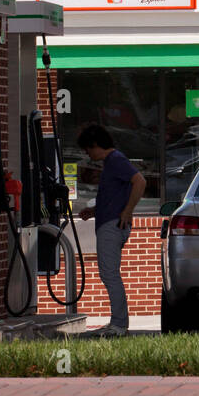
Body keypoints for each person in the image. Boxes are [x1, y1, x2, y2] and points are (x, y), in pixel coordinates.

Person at [76, 124, 146, 337]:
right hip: (110, 222)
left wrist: (127, 211)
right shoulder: (111, 163)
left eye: (87, 149)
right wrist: (94, 210)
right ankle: (117, 323)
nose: (87, 154)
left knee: (110, 275)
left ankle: (118, 324)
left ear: (95, 144)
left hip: (112, 227)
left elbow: (140, 181)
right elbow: (115, 197)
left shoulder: (116, 160)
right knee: (109, 274)